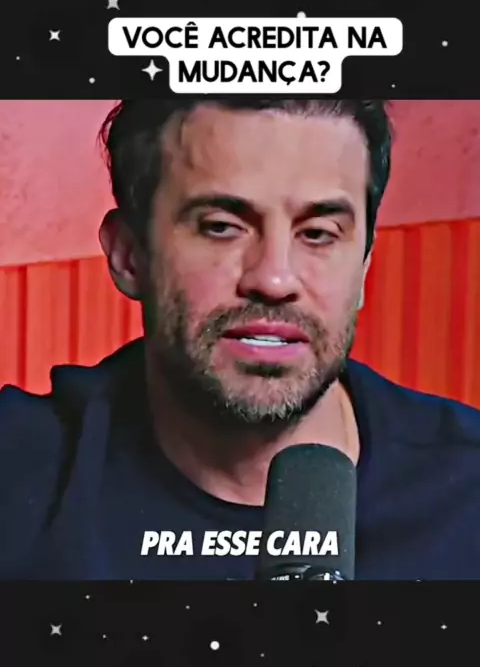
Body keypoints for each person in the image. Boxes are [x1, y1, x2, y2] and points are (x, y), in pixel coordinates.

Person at [1, 96, 480, 581]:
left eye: (318, 233)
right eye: (221, 228)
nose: (274, 280)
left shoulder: (467, 492)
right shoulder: (21, 473)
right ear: (128, 255)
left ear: (363, 267)